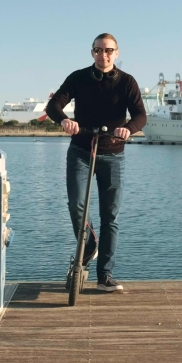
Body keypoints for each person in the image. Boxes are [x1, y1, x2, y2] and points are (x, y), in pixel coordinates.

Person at [46, 33, 147, 292]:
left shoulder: (127, 82)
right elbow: (54, 104)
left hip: (113, 154)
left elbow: (140, 115)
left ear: (117, 52)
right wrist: (64, 120)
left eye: (109, 50)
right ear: (92, 52)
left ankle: (105, 276)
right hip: (81, 150)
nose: (104, 55)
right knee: (76, 204)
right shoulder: (78, 77)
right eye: (99, 50)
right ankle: (90, 243)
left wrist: (128, 128)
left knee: (110, 216)